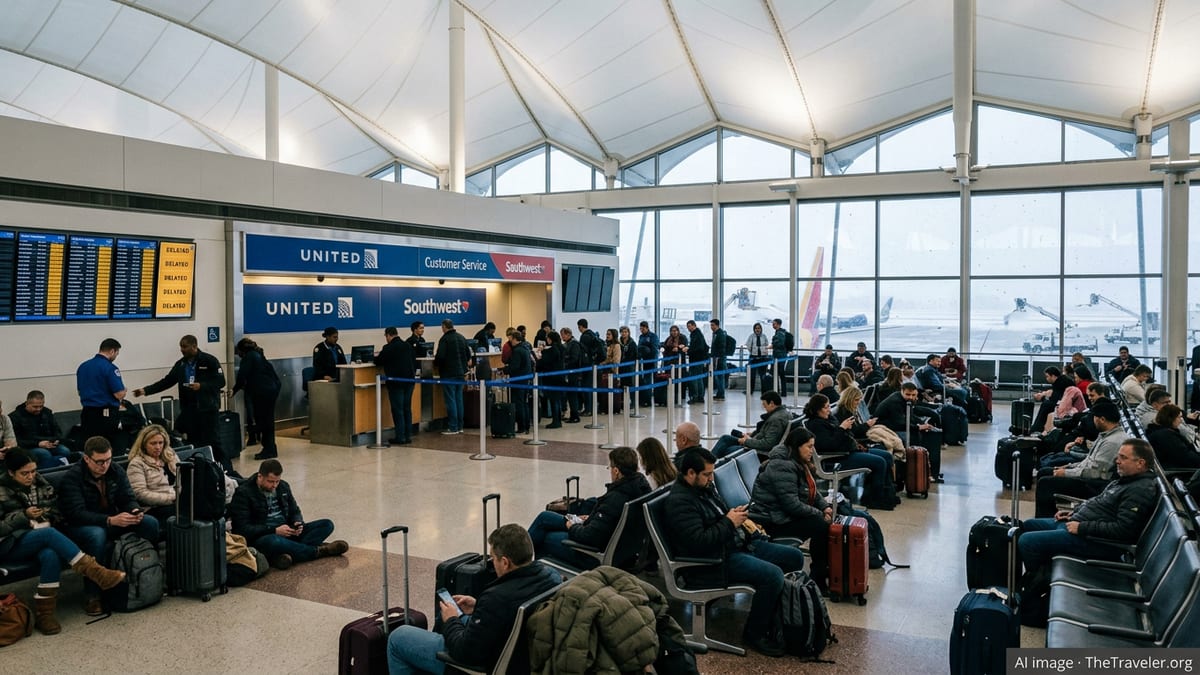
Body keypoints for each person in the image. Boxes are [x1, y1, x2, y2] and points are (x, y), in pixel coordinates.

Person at [665, 448, 806, 657]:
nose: (711, 478)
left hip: (736, 545)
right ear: (690, 473)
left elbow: (719, 517)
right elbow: (699, 542)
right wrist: (729, 523)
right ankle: (754, 633)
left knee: (794, 557)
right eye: (707, 474)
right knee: (772, 576)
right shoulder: (680, 502)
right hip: (711, 562)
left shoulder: (704, 489)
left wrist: (736, 518)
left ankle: (771, 612)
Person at [386, 524, 561, 675]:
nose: (492, 563)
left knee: (398, 638)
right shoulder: (551, 576)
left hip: (483, 664)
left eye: (494, 558)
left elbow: (465, 652)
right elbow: (507, 610)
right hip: (522, 654)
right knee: (445, 615)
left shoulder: (496, 597)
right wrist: (478, 607)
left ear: (506, 562)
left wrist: (452, 620)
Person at [0, 448, 127, 635]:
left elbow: (57, 509)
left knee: (50, 554)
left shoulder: (39, 482)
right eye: (24, 473)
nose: (30, 476)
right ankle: (96, 572)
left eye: (33, 471)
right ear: (11, 473)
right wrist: (23, 517)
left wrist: (44, 514)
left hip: (37, 535)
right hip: (8, 543)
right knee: (49, 535)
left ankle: (45, 614)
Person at [1019, 439, 1159, 579]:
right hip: (1081, 525)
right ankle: (1038, 575)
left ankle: (1037, 583)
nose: (1117, 461)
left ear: (1140, 463)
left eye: (1123, 457)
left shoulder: (1139, 491)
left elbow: (1123, 530)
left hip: (1097, 542)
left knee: (1027, 541)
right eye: (1118, 456)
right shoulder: (1127, 480)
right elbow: (1098, 503)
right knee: (1028, 525)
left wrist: (1082, 527)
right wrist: (1074, 512)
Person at [58, 436, 160, 615]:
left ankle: (150, 576)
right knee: (96, 536)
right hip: (79, 526)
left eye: (108, 460)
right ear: (87, 458)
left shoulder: (115, 469)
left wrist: (135, 511)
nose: (104, 465)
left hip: (111, 518)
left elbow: (127, 497)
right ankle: (92, 594)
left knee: (149, 523)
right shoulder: (72, 478)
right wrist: (109, 520)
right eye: (99, 462)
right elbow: (75, 513)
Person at [527, 447, 651, 568]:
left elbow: (589, 537)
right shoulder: (641, 488)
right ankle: (525, 567)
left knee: (545, 536)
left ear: (616, 471)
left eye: (610, 468)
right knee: (545, 517)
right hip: (622, 550)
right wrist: (592, 518)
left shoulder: (617, 498)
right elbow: (608, 520)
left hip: (593, 554)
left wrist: (572, 526)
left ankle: (519, 564)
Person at [747, 428, 831, 590]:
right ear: (796, 446)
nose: (812, 451)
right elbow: (791, 504)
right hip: (772, 520)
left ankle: (822, 570)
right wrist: (820, 513)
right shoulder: (782, 466)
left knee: (822, 520)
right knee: (820, 525)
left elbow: (810, 489)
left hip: (781, 514)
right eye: (808, 446)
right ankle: (818, 576)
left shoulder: (796, 461)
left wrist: (824, 506)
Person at [228, 459, 348, 570]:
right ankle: (318, 551)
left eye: (277, 481)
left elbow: (294, 510)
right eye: (270, 482)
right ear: (260, 476)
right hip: (264, 536)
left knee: (327, 524)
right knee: (274, 541)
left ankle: (286, 554)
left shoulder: (283, 486)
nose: (274, 485)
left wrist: (297, 522)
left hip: (287, 531)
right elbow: (242, 529)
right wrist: (274, 530)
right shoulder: (244, 493)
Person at [133, 334, 229, 471]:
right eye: (181, 347)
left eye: (184, 347)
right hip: (190, 410)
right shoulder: (181, 364)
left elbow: (220, 382)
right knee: (194, 442)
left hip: (207, 410)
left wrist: (201, 386)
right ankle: (200, 469)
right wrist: (145, 391)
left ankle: (225, 469)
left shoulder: (209, 361)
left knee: (213, 442)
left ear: (194, 346)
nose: (182, 350)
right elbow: (167, 381)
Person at [1033, 400, 1127, 517]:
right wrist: (1069, 466)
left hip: (1094, 484)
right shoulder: (1106, 435)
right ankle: (1045, 516)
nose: (1093, 421)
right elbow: (1089, 461)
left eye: (1094, 417)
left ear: (1102, 419)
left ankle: (1044, 518)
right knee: (1044, 472)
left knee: (1045, 483)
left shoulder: (1112, 442)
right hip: (1088, 476)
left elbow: (1094, 472)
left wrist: (1066, 473)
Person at [804, 394, 897, 509]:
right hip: (838, 458)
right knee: (880, 462)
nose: (829, 410)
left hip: (848, 451)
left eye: (829, 406)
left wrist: (846, 429)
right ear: (818, 409)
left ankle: (888, 494)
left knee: (886, 456)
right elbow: (829, 445)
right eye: (826, 407)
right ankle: (876, 499)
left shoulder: (828, 419)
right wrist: (842, 428)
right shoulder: (816, 425)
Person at [874, 383, 945, 483]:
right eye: (908, 394)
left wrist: (922, 424)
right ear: (902, 391)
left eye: (913, 395)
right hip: (886, 429)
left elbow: (910, 417)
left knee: (928, 434)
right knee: (916, 437)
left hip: (893, 427)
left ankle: (929, 471)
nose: (910, 397)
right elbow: (900, 423)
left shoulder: (905, 401)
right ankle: (921, 470)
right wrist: (918, 427)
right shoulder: (895, 402)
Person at [231, 337, 282, 460]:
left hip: (262, 391)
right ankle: (271, 448)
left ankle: (268, 449)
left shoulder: (249, 357)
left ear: (242, 351)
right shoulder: (259, 355)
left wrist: (234, 390)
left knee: (263, 420)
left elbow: (242, 376)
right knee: (268, 420)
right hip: (272, 388)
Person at [711, 391, 793, 459]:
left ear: (771, 403)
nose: (765, 409)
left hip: (758, 451)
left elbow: (767, 444)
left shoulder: (776, 420)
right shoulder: (784, 413)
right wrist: (752, 435)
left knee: (725, 446)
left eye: (765, 406)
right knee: (726, 439)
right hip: (755, 442)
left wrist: (746, 441)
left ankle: (707, 462)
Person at [76, 337, 127, 445]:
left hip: (87, 413)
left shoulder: (83, 367)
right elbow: (118, 394)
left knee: (90, 445)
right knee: (106, 445)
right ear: (112, 351)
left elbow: (80, 391)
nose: (116, 357)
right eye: (116, 354)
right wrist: (124, 391)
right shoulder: (110, 368)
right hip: (105, 415)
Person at [125, 424, 179, 523]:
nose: (158, 447)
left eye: (160, 443)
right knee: (181, 511)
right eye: (153, 443)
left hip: (176, 499)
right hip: (153, 507)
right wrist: (170, 498)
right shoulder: (137, 463)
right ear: (144, 444)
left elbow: (183, 478)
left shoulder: (170, 456)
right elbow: (140, 494)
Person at [375, 327, 416, 446]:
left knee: (398, 410)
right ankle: (408, 435)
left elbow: (378, 361)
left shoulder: (388, 348)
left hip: (396, 383)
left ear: (388, 335)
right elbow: (414, 361)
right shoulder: (408, 345)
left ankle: (400, 436)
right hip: (409, 381)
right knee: (407, 409)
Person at [9, 391, 72, 469]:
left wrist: (56, 440)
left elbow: (57, 430)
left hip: (49, 443)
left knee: (65, 451)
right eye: (35, 407)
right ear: (27, 403)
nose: (38, 409)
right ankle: (48, 474)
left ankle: (61, 470)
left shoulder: (47, 412)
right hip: (29, 447)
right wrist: (38, 444)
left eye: (41, 406)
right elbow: (17, 440)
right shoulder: (15, 417)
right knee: (44, 454)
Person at [435, 319, 471, 435]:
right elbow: (468, 354)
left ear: (444, 327)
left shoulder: (444, 339)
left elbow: (440, 357)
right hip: (461, 373)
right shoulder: (461, 337)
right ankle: (460, 426)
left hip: (448, 374)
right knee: (459, 400)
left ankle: (453, 427)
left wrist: (437, 364)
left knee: (451, 400)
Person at [1145, 404, 1200, 470]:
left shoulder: (1159, 431)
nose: (1181, 420)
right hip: (1181, 471)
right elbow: (1186, 457)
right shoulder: (1166, 436)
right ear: (1171, 419)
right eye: (1179, 417)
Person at [505, 330, 534, 434]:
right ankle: (526, 425)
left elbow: (515, 367)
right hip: (525, 379)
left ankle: (521, 427)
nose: (510, 341)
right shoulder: (525, 348)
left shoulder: (517, 351)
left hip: (518, 380)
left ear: (515, 339)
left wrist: (505, 370)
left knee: (519, 403)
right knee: (524, 403)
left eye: (511, 339)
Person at [537, 331, 566, 429]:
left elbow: (544, 363)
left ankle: (556, 421)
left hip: (552, 378)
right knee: (557, 400)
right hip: (560, 376)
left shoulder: (552, 350)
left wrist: (541, 354)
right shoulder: (561, 348)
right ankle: (557, 420)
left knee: (553, 400)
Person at [559, 327, 585, 422]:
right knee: (571, 395)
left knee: (572, 395)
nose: (562, 337)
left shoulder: (574, 344)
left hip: (573, 373)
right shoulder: (568, 344)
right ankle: (573, 415)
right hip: (570, 372)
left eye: (563, 335)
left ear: (568, 334)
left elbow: (574, 358)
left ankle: (575, 416)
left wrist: (565, 362)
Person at [662, 324, 688, 405]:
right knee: (670, 379)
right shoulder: (669, 339)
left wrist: (679, 349)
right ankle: (671, 397)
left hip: (679, 363)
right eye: (672, 331)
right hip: (669, 363)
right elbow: (664, 345)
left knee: (678, 380)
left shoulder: (682, 338)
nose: (674, 332)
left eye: (675, 331)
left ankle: (679, 397)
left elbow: (684, 347)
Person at [637, 321, 661, 408]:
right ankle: (646, 398)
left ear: (647, 328)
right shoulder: (641, 337)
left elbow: (655, 349)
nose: (641, 330)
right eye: (640, 328)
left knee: (651, 379)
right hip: (643, 361)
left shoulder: (653, 336)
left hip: (651, 360)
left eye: (643, 328)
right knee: (645, 379)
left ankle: (652, 399)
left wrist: (652, 359)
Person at [745, 322, 771, 394]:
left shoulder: (764, 336)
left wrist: (763, 351)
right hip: (754, 357)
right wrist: (754, 352)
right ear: (754, 329)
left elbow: (766, 345)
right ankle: (750, 390)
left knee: (763, 375)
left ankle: (764, 391)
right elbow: (749, 346)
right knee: (752, 375)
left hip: (763, 357)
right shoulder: (751, 336)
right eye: (756, 328)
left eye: (759, 328)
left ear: (761, 329)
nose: (757, 330)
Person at [709, 319, 729, 400]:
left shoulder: (720, 334)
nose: (711, 327)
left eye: (713, 325)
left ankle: (721, 394)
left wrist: (715, 355)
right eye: (711, 325)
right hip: (717, 357)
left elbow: (720, 347)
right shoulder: (716, 333)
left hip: (719, 358)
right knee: (718, 376)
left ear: (717, 325)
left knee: (720, 376)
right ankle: (720, 393)